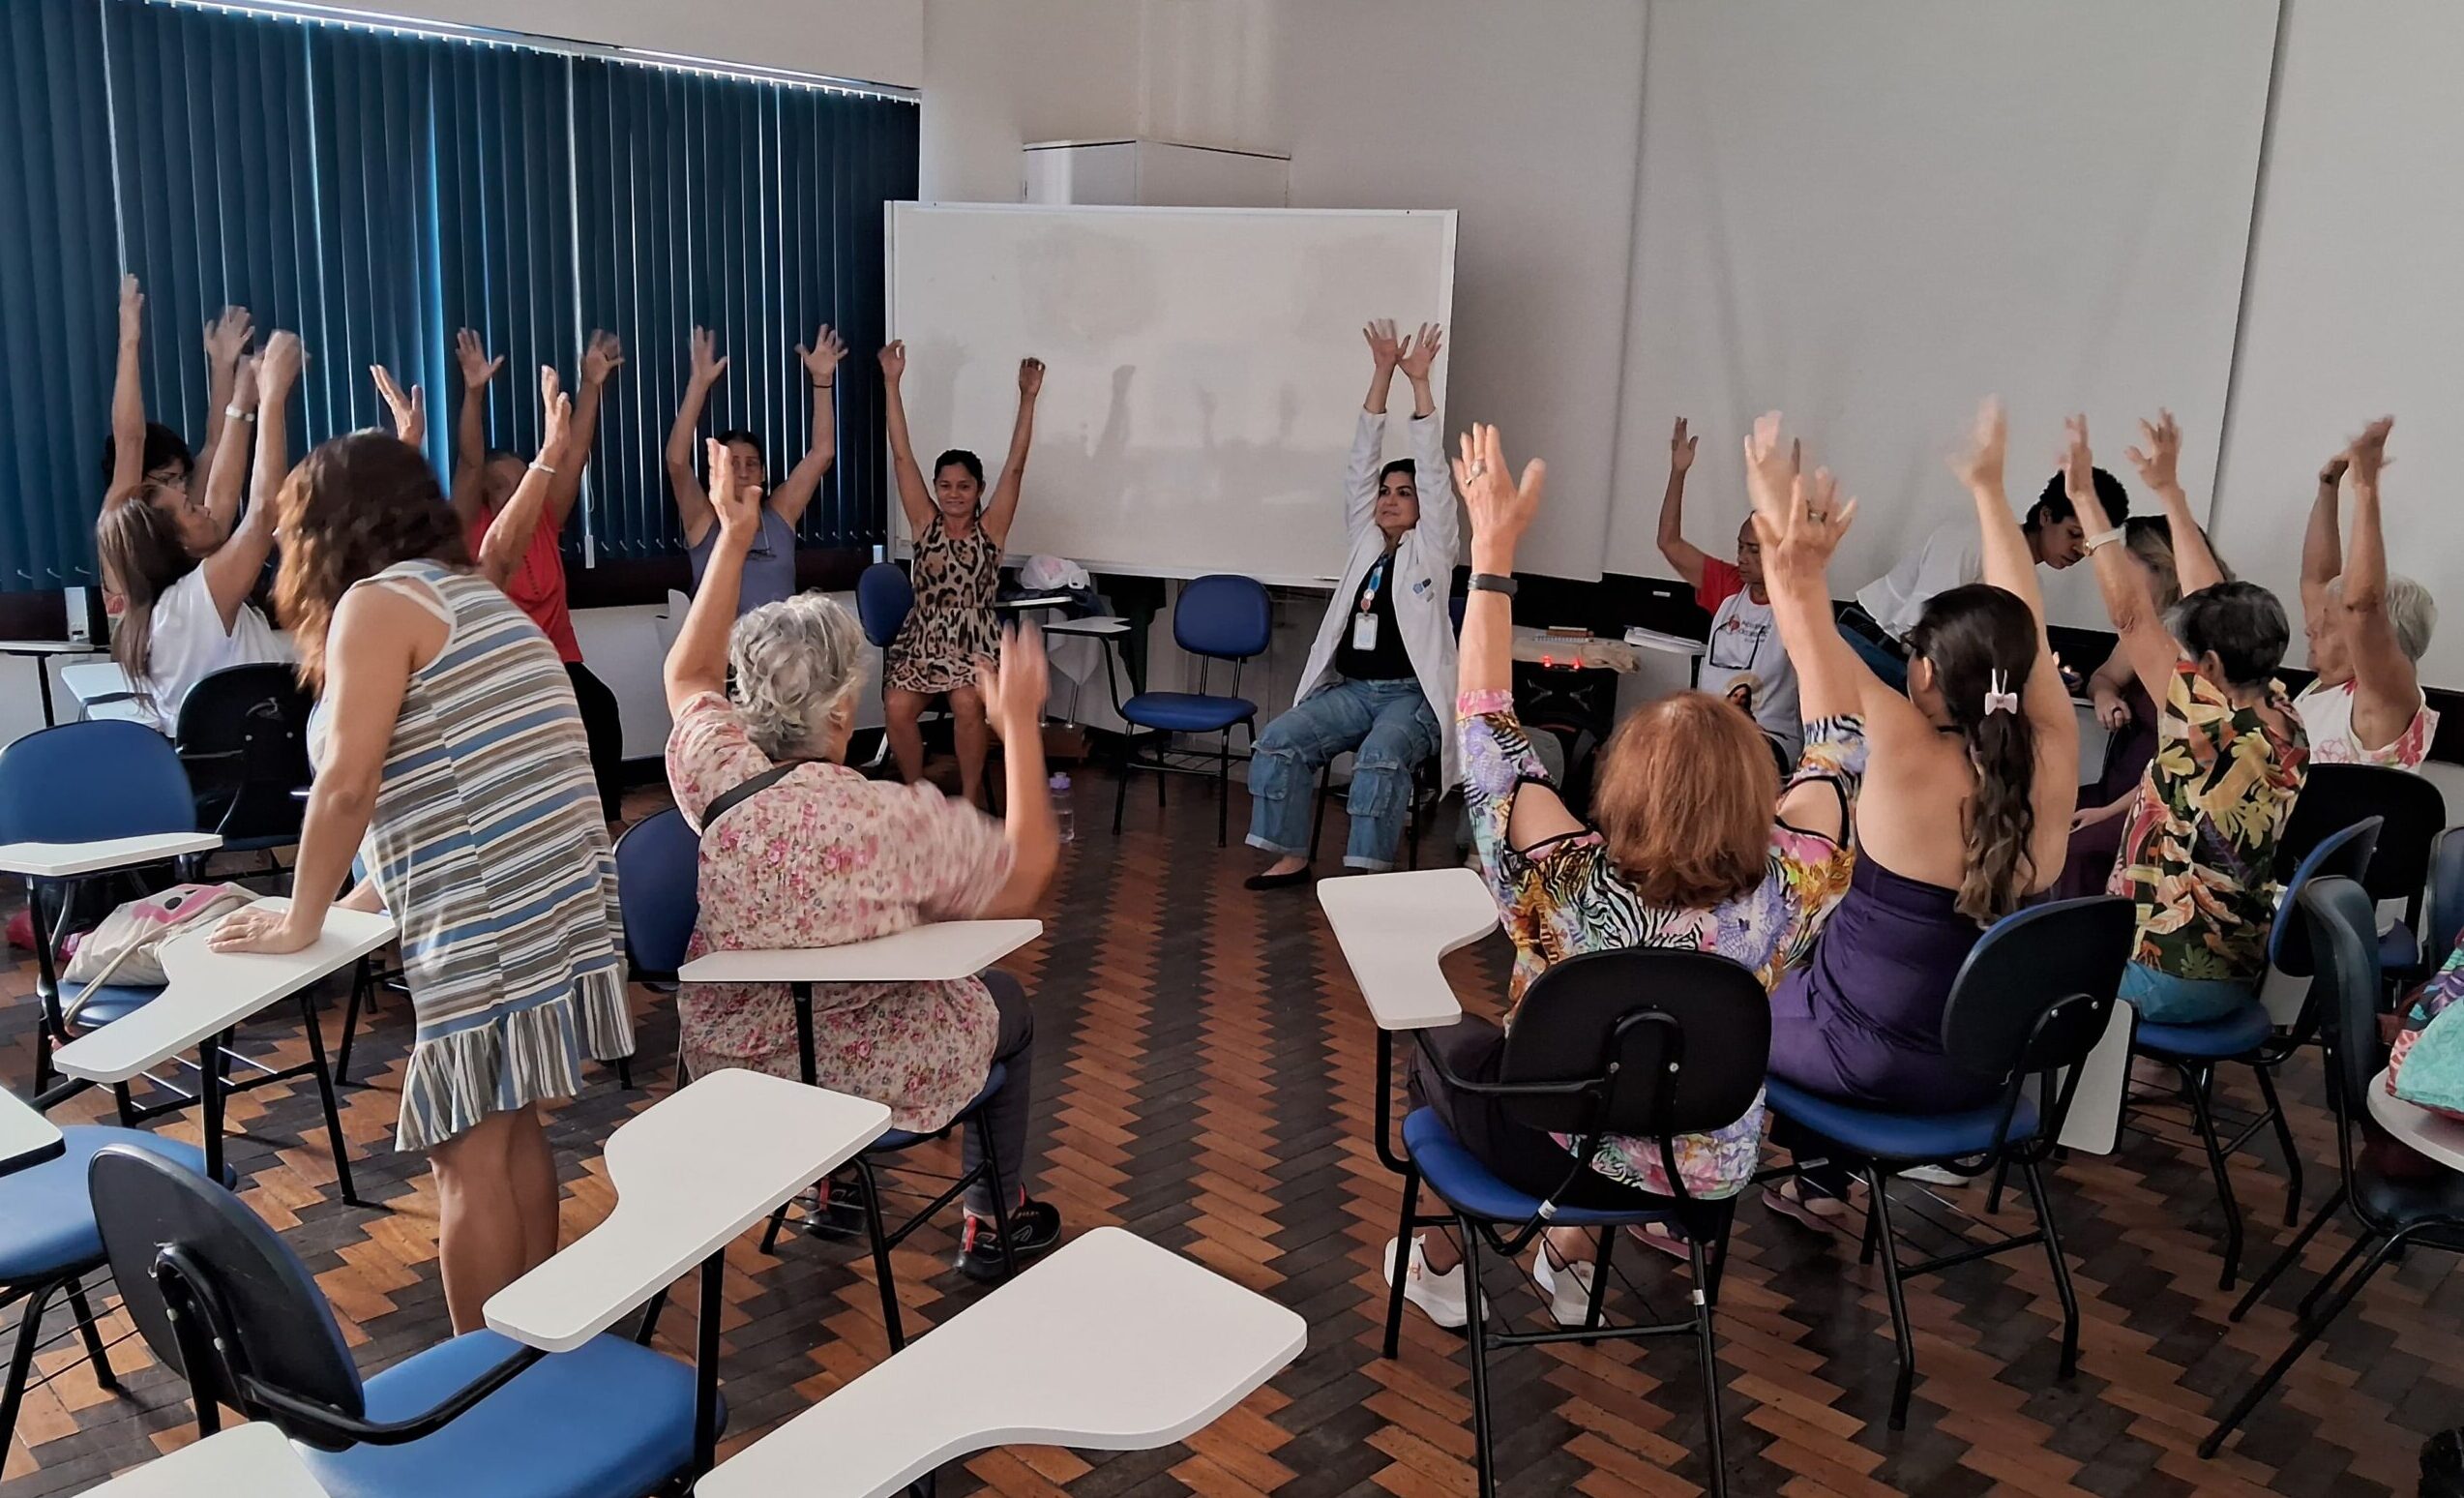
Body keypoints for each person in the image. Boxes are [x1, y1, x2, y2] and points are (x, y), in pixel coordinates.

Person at [1388, 420, 1869, 1329]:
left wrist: (1490, 553)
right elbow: (1838, 741)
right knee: (1628, 1071)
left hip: (1550, 1154)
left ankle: (1439, 1261)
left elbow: (1485, 724)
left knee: (1445, 1051)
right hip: (1703, 1173)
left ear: (1619, 781)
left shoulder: (1564, 879)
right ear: (1755, 789)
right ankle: (1566, 1259)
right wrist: (1802, 583)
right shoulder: (1789, 883)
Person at [207, 373, 627, 1336]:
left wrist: (302, 920)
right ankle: (533, 1344)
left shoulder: (374, 606)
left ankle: (484, 1387)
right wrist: (357, 898)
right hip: (552, 891)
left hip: (491, 907)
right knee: (511, 1127)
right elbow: (444, 782)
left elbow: (352, 787)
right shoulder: (466, 592)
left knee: (462, 1153)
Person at [661, 440, 1063, 1279]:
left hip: (733, 1059)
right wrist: (1019, 723)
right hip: (852, 1072)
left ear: (747, 700)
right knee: (1008, 1005)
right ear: (845, 708)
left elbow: (689, 672)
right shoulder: (889, 821)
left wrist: (735, 536)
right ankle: (994, 1218)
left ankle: (831, 1188)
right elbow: (1025, 874)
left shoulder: (712, 771)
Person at [1762, 400, 2081, 1232]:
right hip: (1984, 1076)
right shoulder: (2051, 754)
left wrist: (1778, 525)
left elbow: (1801, 624)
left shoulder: (1900, 751)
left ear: (1928, 675)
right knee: (1838, 978)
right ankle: (1819, 1185)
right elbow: (2027, 628)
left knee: (1718, 987)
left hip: (1864, 1064)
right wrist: (1987, 488)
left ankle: (1662, 1197)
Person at [2077, 413, 2307, 1024]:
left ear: (2206, 662)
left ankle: (2098, 1092)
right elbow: (2210, 600)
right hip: (2234, 972)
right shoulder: (2281, 711)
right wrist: (2170, 493)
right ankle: (2144, 1072)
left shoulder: (2204, 724)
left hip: (2157, 973)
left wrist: (2086, 507)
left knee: (2017, 966)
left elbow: (2132, 618)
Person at [1245, 321, 1456, 889]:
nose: (1389, 500)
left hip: (1410, 697)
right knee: (1280, 740)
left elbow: (1434, 472)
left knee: (1382, 759)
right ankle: (1290, 855)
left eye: (1402, 493)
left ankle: (1365, 875)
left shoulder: (1433, 550)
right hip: (1355, 691)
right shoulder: (1365, 541)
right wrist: (1380, 371)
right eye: (1385, 492)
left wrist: (1418, 385)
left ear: (1422, 507)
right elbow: (1360, 461)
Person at [452, 328, 628, 820]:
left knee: (599, 708)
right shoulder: (471, 530)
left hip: (556, 663)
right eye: (501, 485)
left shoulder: (545, 518)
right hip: (496, 669)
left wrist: (591, 384)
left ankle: (606, 822)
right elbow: (468, 461)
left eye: (523, 478)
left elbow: (572, 455)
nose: (515, 490)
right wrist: (473, 392)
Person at [878, 342, 1043, 807]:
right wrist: (892, 382)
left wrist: (1027, 398)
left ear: (978, 490)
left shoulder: (990, 529)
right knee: (896, 705)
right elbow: (902, 456)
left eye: (964, 486)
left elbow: (1016, 466)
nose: (954, 494)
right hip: (922, 636)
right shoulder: (924, 524)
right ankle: (917, 796)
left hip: (974, 637)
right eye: (945, 486)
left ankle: (970, 802)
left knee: (968, 702)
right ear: (935, 488)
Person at [96, 338, 288, 733]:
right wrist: (273, 399)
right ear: (173, 543)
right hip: (249, 773)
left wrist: (242, 402)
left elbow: (222, 491)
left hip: (217, 776)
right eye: (188, 508)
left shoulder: (164, 609)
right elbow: (262, 511)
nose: (202, 506)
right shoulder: (194, 601)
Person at [1840, 449, 2130, 691]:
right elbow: (1921, 623)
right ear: (2045, 516)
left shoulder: (2030, 585)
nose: (2080, 549)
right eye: (2074, 533)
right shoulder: (1972, 539)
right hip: (1870, 647)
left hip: (1915, 672)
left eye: (2089, 543)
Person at [663, 323, 845, 614]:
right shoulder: (703, 520)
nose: (744, 472)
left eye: (751, 464)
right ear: (717, 472)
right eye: (733, 464)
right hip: (722, 655)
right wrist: (698, 384)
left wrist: (822, 381)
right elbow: (676, 462)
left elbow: (822, 454)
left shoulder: (779, 515)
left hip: (780, 650)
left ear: (763, 473)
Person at [1655, 415, 1799, 764]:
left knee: (1720, 761)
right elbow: (1669, 542)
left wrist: (1790, 490)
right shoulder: (1730, 587)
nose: (1743, 558)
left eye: (1755, 550)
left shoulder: (1794, 599)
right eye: (1741, 548)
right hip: (1710, 730)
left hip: (1769, 739)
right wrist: (1678, 473)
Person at [2296, 418, 2439, 767]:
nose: (2310, 627)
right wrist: (2328, 487)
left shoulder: (2385, 696)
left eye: (2328, 624)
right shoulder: (2331, 683)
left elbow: (2363, 608)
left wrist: (2365, 488)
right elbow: (2318, 581)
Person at [99, 275, 254, 593]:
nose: (182, 490)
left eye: (181, 479)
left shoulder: (193, 522)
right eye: (166, 479)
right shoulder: (126, 528)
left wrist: (223, 367)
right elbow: (131, 440)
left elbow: (217, 445)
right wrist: (130, 339)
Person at [2056, 516, 2183, 901]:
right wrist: (2105, 696)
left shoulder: (2190, 641)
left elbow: (2178, 763)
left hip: (2152, 802)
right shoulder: (2145, 629)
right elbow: (2104, 677)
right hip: (2114, 790)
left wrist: (2110, 811)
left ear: (2162, 570)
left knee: (2073, 849)